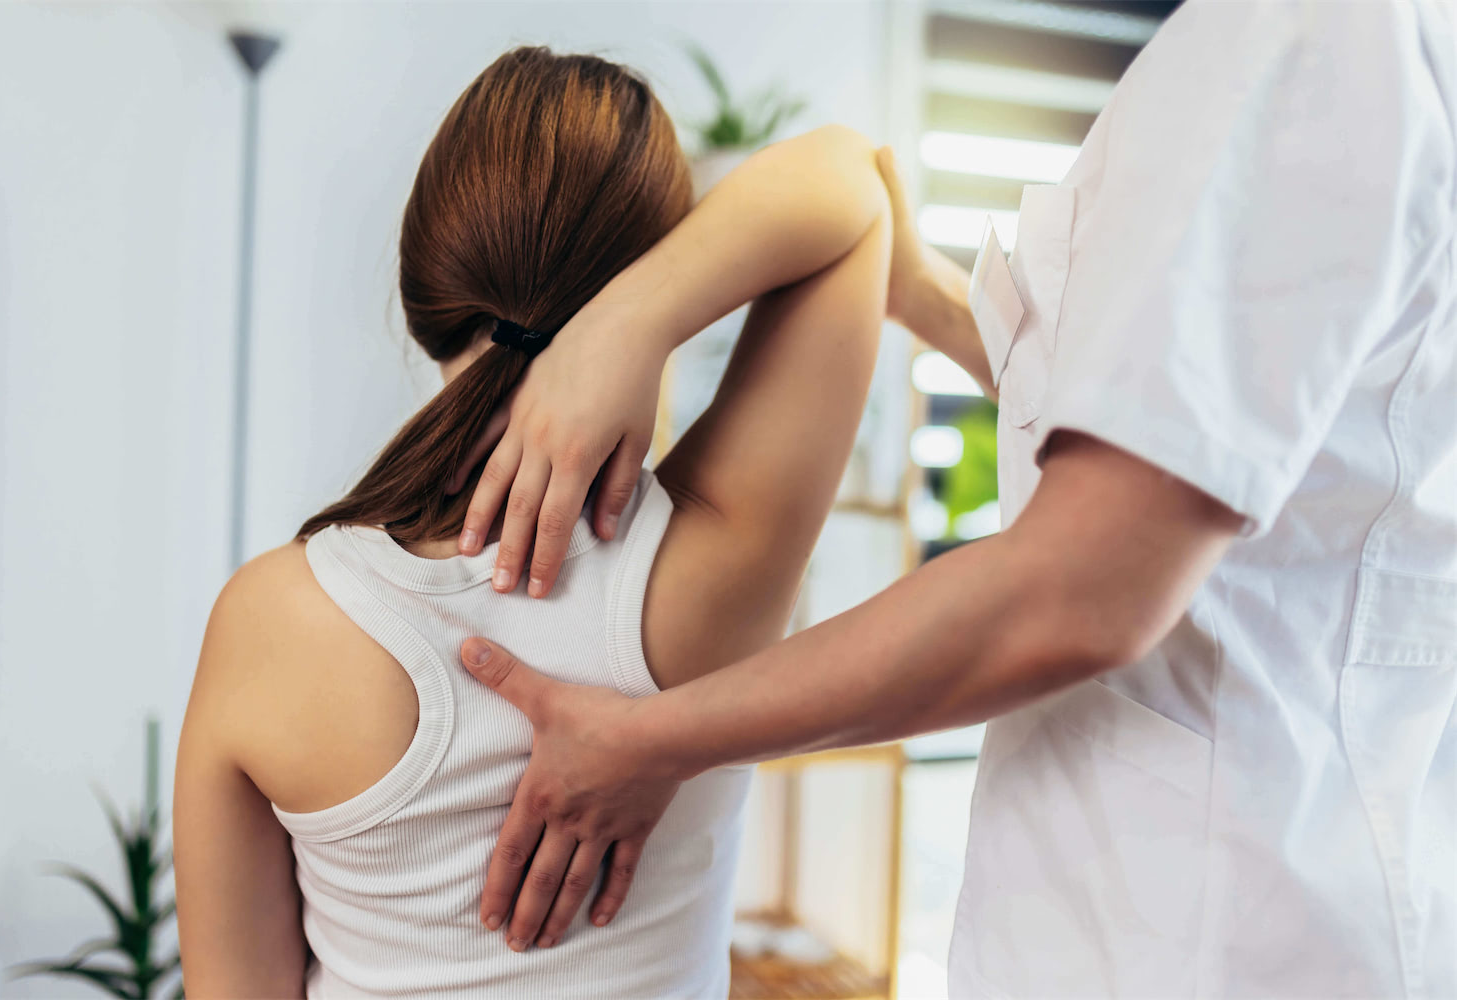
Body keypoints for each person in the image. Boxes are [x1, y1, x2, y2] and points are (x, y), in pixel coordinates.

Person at [453, 3, 1457, 996]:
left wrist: (644, 740)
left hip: (1228, 930)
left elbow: (1083, 586)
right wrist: (915, 294)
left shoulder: (1313, 32)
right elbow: (1174, 411)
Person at [173, 47, 898, 997]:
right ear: (661, 266)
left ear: (424, 289)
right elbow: (851, 182)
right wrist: (638, 319)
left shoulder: (270, 618)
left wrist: (616, 320)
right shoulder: (707, 553)